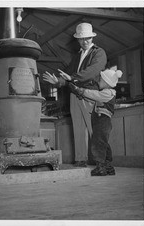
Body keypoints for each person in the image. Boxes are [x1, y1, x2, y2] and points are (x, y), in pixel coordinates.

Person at [43, 22, 107, 167]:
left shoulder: (99, 52)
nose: (85, 41)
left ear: (92, 37)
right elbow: (69, 75)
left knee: (94, 129)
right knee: (78, 128)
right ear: (77, 39)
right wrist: (58, 81)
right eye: (82, 39)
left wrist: (72, 78)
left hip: (89, 94)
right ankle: (80, 159)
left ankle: (101, 162)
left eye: (88, 38)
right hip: (75, 94)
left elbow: (93, 71)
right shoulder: (78, 56)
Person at [68, 68, 122, 176]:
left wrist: (80, 91)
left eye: (101, 80)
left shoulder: (108, 93)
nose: (98, 82)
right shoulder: (106, 93)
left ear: (107, 83)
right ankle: (108, 166)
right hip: (101, 121)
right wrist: (82, 95)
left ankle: (100, 167)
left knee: (97, 143)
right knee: (103, 143)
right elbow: (94, 99)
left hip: (102, 121)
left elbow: (94, 95)